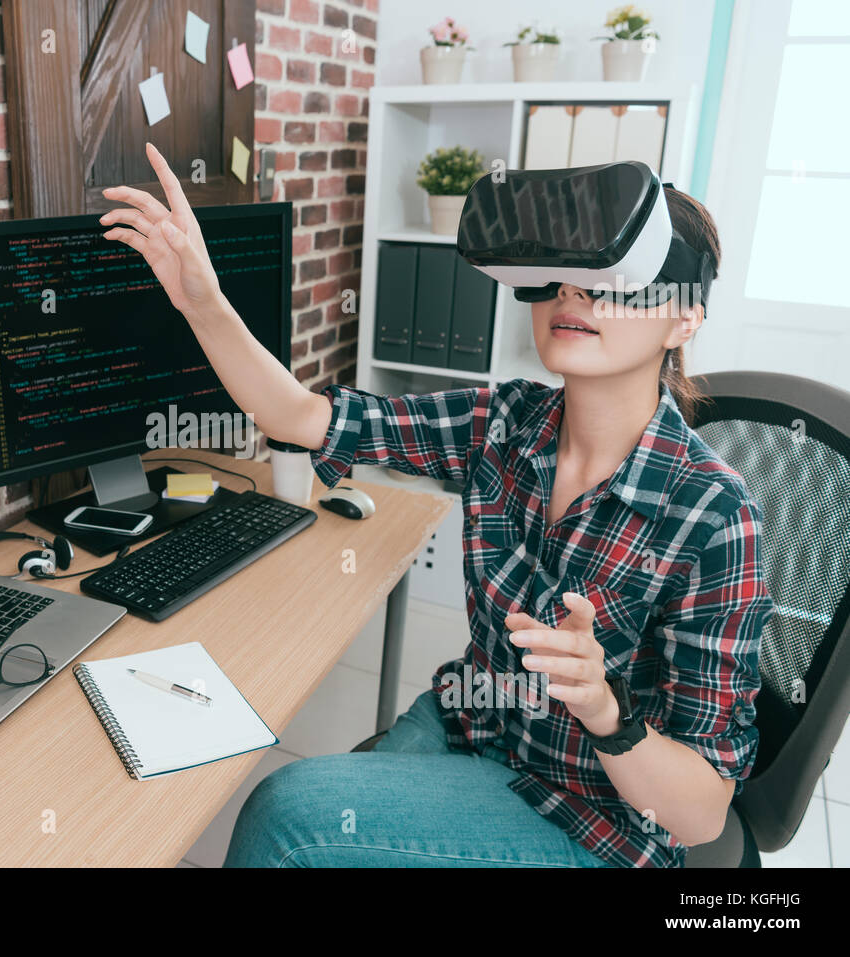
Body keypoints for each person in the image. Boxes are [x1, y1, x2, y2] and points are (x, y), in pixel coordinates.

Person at [100, 144, 773, 867]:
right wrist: (203, 301)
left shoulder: (714, 516)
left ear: (683, 319)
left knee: (286, 816)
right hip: (473, 727)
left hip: (592, 820)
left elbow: (702, 816)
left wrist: (603, 707)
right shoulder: (505, 423)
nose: (573, 294)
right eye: (561, 274)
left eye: (614, 279)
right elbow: (300, 417)